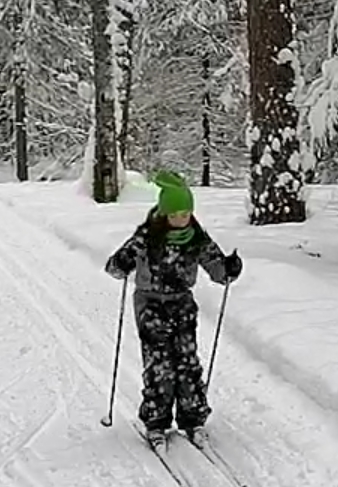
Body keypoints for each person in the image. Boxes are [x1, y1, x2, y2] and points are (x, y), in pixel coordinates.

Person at [103, 172, 243, 443]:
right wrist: (122, 261)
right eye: (175, 213)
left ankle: (193, 418)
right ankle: (156, 420)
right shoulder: (147, 237)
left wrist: (229, 269)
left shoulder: (196, 238)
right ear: (164, 213)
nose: (181, 219)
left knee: (188, 362)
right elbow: (114, 268)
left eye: (186, 212)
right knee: (160, 364)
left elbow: (217, 270)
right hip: (150, 304)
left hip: (182, 302)